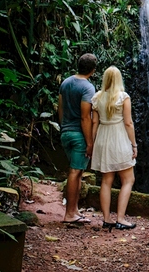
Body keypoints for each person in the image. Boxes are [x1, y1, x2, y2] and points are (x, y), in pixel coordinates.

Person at [91, 66, 137, 230]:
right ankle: (121, 218)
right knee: (128, 179)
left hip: (103, 138)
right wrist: (134, 144)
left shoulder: (97, 97)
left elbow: (94, 123)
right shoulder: (123, 97)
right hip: (118, 138)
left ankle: (106, 219)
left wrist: (92, 144)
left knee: (106, 180)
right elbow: (128, 123)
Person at [58, 53, 97, 224]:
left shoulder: (65, 82)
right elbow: (85, 117)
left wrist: (63, 127)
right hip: (79, 135)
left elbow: (60, 108)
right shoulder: (87, 88)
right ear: (93, 70)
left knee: (78, 171)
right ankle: (69, 214)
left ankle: (74, 211)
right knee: (75, 172)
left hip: (65, 132)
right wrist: (89, 142)